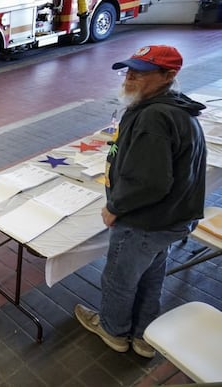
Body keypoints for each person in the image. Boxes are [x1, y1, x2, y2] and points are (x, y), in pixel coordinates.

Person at [74, 45, 207, 359]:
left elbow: (150, 182)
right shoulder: (171, 108)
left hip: (146, 221)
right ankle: (146, 336)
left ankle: (113, 331)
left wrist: (114, 207)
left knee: (119, 277)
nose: (130, 77)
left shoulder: (154, 117)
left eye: (141, 72)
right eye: (129, 69)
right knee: (150, 274)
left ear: (168, 76)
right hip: (170, 219)